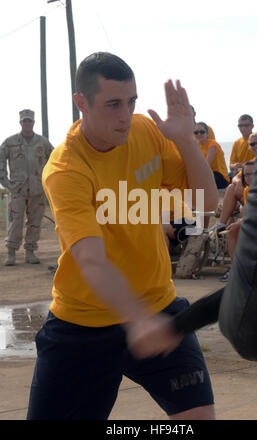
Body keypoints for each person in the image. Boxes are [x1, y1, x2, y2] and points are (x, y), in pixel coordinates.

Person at [26, 52, 219, 420]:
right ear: (81, 102)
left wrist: (184, 139)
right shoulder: (66, 168)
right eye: (113, 103)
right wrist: (136, 321)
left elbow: (205, 201)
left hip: (157, 307)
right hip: (84, 324)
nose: (124, 115)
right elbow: (92, 261)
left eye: (131, 102)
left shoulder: (144, 131)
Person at [0, 109, 54, 265]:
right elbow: (1, 161)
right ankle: (11, 253)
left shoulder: (43, 143)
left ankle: (30, 252)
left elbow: (55, 160)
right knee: (15, 221)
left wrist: (48, 181)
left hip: (37, 189)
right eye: (24, 121)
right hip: (17, 189)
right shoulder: (10, 143)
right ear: (20, 123)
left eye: (29, 120)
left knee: (34, 222)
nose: (27, 123)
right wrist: (6, 182)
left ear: (34, 122)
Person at [210, 132, 257, 234]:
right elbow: (236, 176)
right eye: (252, 144)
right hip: (249, 196)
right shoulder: (252, 161)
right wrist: (238, 182)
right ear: (249, 147)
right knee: (231, 187)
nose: (255, 146)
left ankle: (224, 223)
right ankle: (221, 224)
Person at [219, 160, 255, 281]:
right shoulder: (246, 190)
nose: (250, 177)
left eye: (253, 174)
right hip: (251, 220)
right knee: (231, 228)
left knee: (235, 225)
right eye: (247, 175)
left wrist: (240, 222)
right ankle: (236, 269)